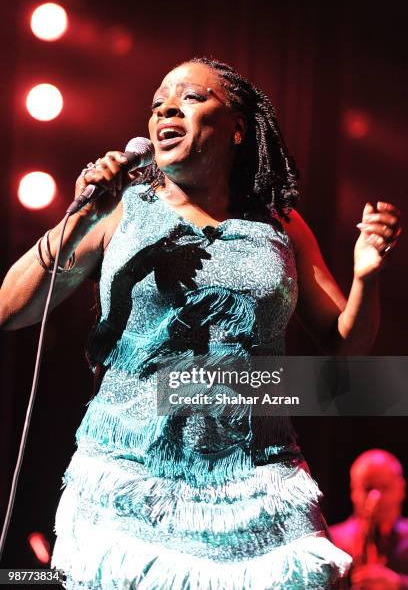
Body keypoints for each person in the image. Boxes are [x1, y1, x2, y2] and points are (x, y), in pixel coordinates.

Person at [0, 56, 402, 588]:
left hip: (260, 478)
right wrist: (81, 216)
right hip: (132, 471)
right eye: (157, 103)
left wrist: (367, 275)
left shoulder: (278, 224)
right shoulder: (123, 209)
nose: (166, 106)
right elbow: (10, 309)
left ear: (237, 127)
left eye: (190, 96)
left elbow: (344, 351)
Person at [330, 449, 408, 589]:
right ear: (353, 491)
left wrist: (399, 584)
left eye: (384, 487)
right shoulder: (331, 542)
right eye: (368, 488)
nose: (375, 498)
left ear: (401, 489)